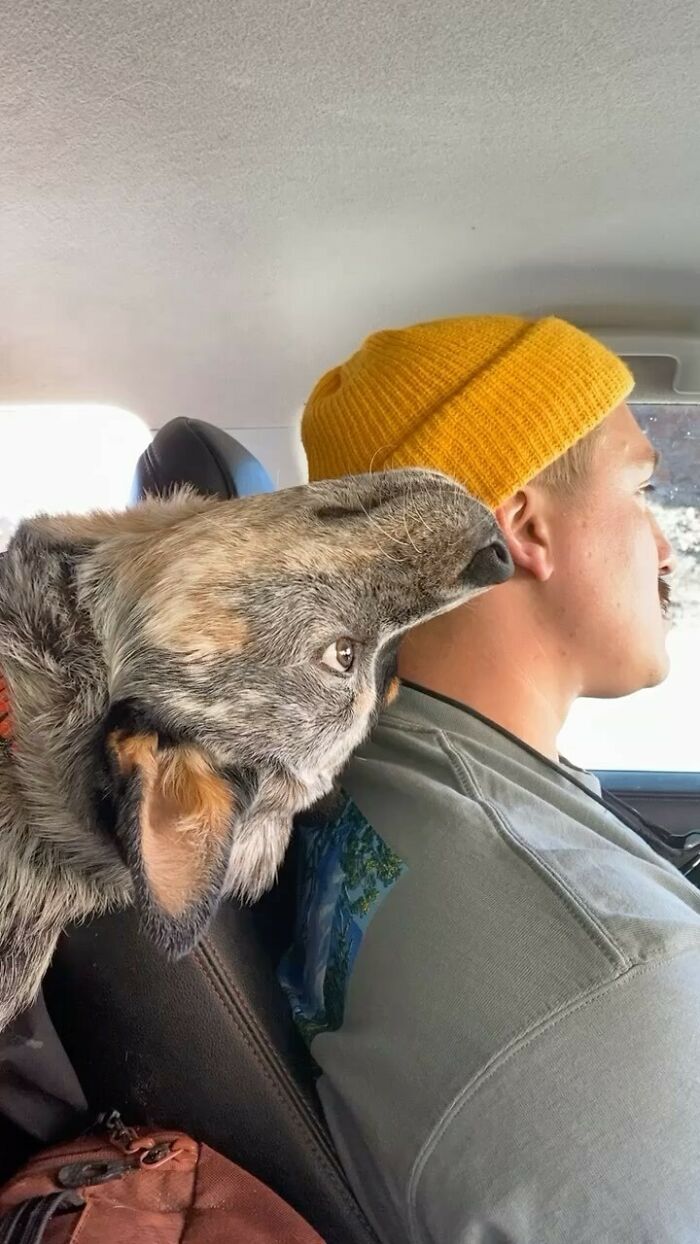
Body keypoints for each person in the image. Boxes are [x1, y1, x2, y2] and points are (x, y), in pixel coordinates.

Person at [279, 315, 700, 1243]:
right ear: (525, 525)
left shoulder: (374, 766)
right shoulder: (621, 987)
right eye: (645, 490)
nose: (666, 548)